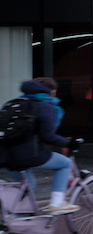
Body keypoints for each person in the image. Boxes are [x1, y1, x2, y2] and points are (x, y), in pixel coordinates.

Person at [2, 78, 76, 213]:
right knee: (65, 164)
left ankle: (14, 219)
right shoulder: (45, 107)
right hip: (27, 155)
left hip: (4, 155)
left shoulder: (13, 104)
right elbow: (48, 136)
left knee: (27, 185)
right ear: (50, 91)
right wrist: (70, 143)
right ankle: (57, 203)